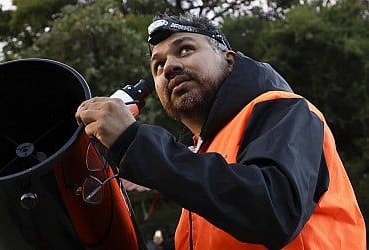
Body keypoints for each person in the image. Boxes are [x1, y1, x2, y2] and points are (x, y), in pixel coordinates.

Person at [75, 13, 366, 249]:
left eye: (185, 49)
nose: (169, 67)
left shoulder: (285, 109)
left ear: (229, 58)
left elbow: (275, 210)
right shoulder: (200, 158)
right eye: (158, 65)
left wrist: (135, 142)